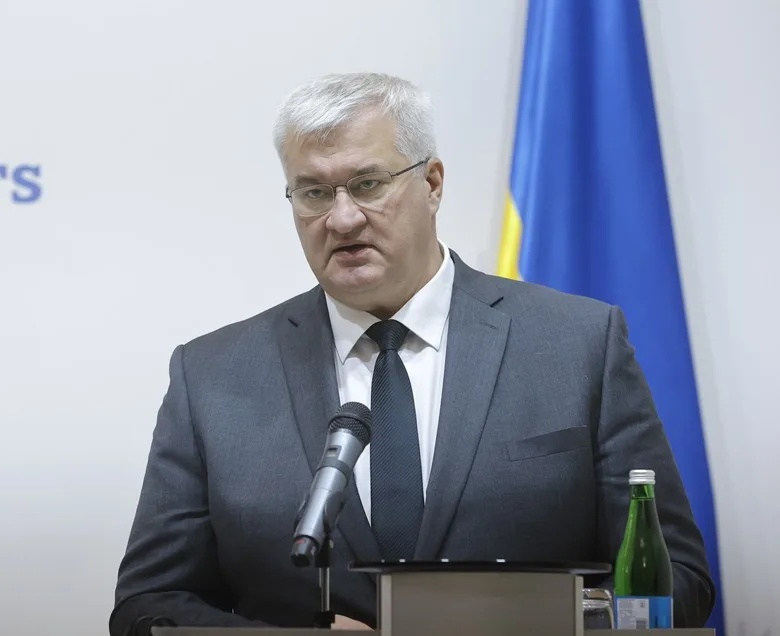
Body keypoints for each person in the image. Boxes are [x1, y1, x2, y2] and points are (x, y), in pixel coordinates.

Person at [109, 72, 715, 635]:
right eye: (314, 193)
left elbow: (677, 582)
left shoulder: (578, 342)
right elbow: (147, 606)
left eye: (368, 184)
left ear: (431, 183)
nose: (342, 218)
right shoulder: (212, 374)